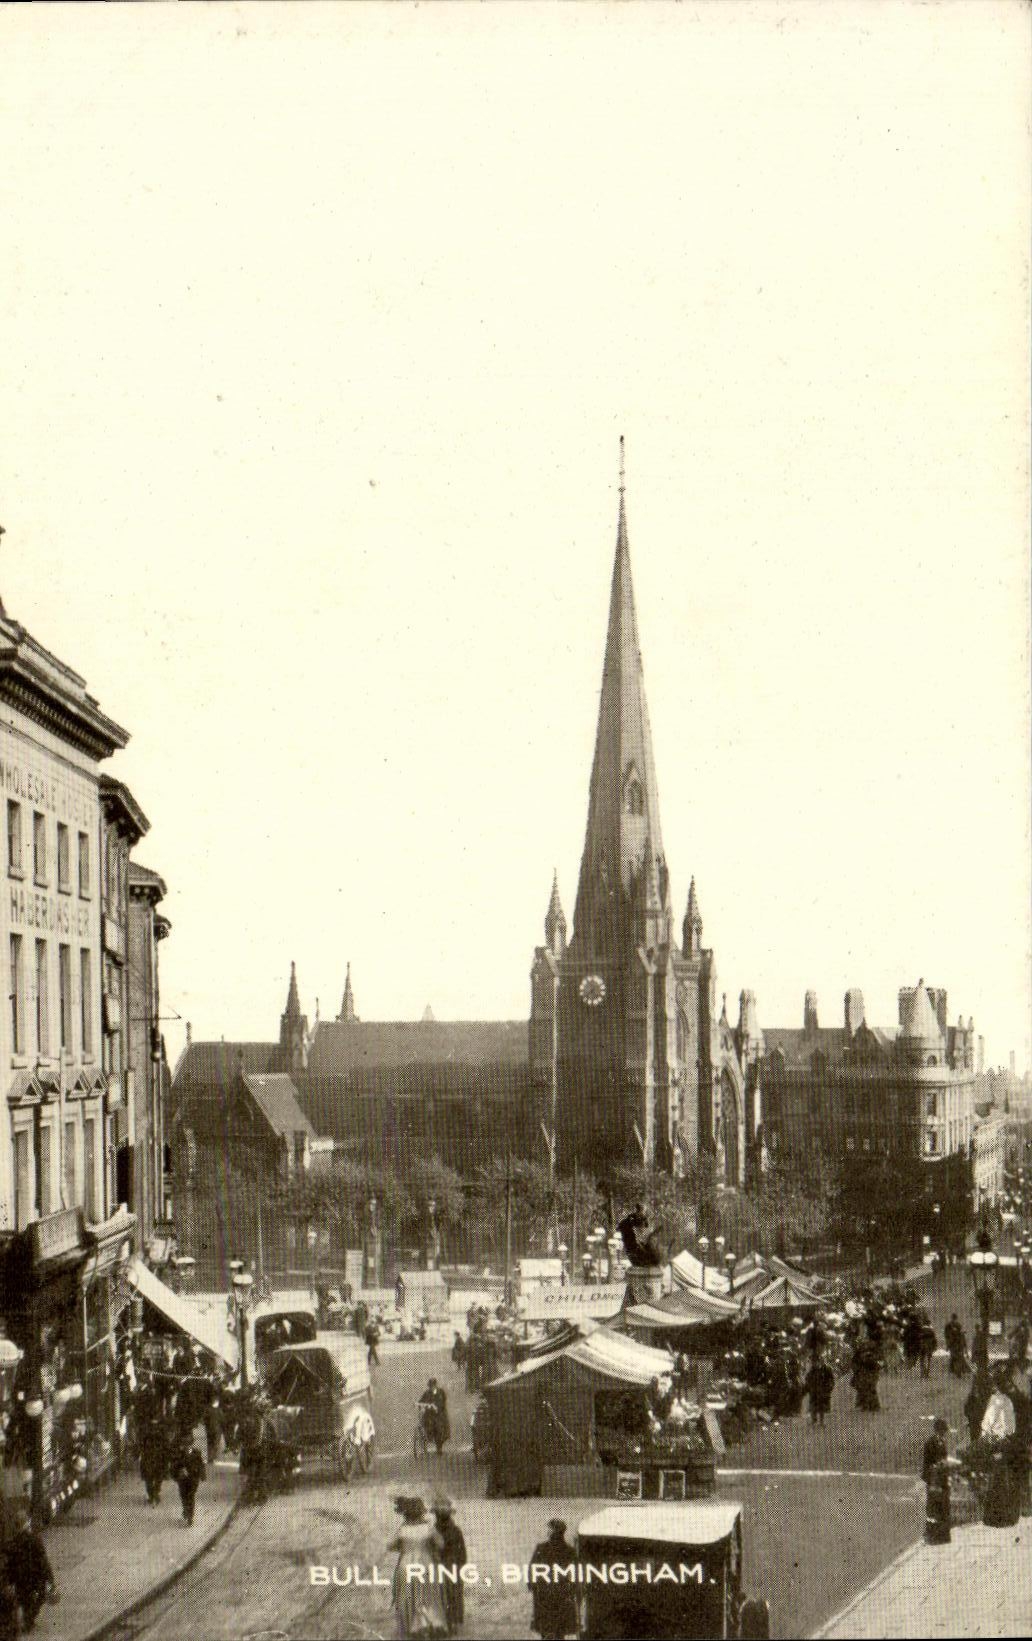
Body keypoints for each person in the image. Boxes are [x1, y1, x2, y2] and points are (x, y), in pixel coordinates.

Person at [388, 1496, 448, 1639]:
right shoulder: (428, 1528)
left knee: (408, 1595)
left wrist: (404, 1547)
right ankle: (432, 1623)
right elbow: (441, 1544)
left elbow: (390, 1546)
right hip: (426, 1563)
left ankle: (413, 1627)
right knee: (429, 1594)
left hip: (406, 1564)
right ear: (422, 1512)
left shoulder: (403, 1529)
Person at [5, 1510, 55, 1633]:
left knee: (24, 1600)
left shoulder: (13, 1543)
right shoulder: (35, 1539)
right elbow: (43, 1560)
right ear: (27, 1523)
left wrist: (10, 1580)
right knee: (39, 1597)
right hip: (35, 1577)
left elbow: (10, 1565)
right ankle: (28, 1621)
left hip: (20, 1579)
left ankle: (28, 1621)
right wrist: (50, 1578)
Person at [529, 1518, 579, 1641]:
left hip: (544, 1598)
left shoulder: (541, 1548)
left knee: (546, 1632)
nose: (547, 1531)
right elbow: (575, 1577)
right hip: (562, 1598)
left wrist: (534, 1588)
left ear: (552, 1531)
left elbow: (532, 1572)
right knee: (559, 1633)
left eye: (549, 1529)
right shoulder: (571, 1551)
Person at [432, 1495, 468, 1636]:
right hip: (453, 1566)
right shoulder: (456, 1530)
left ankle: (442, 1623)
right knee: (454, 1594)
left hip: (438, 1565)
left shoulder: (432, 1531)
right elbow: (462, 1553)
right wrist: (461, 1566)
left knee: (440, 1594)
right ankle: (452, 1623)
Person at [922, 1417, 953, 1544]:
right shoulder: (931, 1443)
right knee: (934, 1507)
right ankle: (932, 1535)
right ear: (938, 1431)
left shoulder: (942, 1441)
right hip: (934, 1479)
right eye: (943, 1431)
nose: (944, 1433)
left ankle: (941, 1535)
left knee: (942, 1507)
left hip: (941, 1478)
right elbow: (928, 1463)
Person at [173, 1434, 206, 1526]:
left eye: (189, 1445)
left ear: (192, 1444)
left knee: (191, 1496)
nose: (187, 1447)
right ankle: (185, 1509)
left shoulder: (197, 1453)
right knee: (183, 1496)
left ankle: (190, 1516)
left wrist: (202, 1476)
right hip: (182, 1479)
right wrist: (177, 1474)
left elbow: (201, 1465)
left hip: (193, 1479)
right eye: (185, 1445)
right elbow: (175, 1466)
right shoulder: (179, 1454)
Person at [139, 1416, 169, 1507]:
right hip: (155, 1459)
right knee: (156, 1478)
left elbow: (141, 1446)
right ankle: (154, 1494)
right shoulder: (161, 1435)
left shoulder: (146, 1435)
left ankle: (153, 1495)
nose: (154, 1429)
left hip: (151, 1459)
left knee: (150, 1479)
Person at [805, 1355, 835, 1427]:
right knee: (813, 1405)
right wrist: (809, 1387)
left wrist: (829, 1387)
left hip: (823, 1390)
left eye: (817, 1361)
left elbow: (831, 1379)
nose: (815, 1363)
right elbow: (808, 1378)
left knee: (822, 1407)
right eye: (814, 1362)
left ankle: (821, 1421)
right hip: (814, 1390)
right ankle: (813, 1420)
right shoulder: (813, 1370)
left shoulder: (826, 1369)